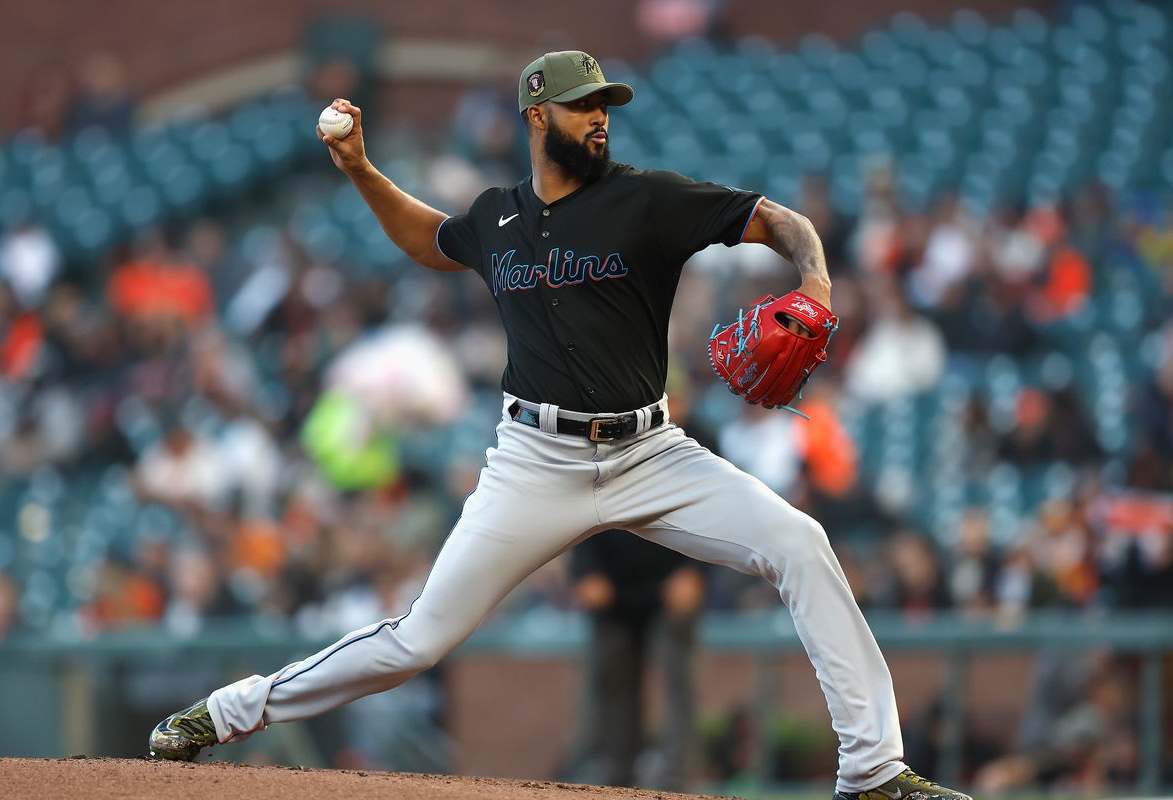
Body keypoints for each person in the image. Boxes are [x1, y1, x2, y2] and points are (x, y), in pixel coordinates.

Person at [148, 50, 971, 800]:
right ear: (538, 117)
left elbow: (780, 221)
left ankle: (873, 773)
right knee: (417, 641)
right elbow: (429, 241)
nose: (600, 116)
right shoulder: (496, 216)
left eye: (605, 103)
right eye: (582, 105)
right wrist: (362, 169)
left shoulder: (648, 199)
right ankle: (225, 714)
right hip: (534, 461)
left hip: (652, 450)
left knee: (800, 544)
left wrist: (817, 286)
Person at [570, 529, 704, 790]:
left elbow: (709, 507)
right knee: (611, 680)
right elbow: (580, 504)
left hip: (672, 582)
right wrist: (585, 571)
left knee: (678, 681)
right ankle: (614, 779)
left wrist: (696, 569)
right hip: (611, 587)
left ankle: (678, 782)